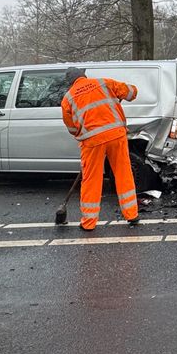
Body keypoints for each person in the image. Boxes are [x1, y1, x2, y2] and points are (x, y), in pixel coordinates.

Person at [60, 67, 141, 231]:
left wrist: (83, 135)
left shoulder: (67, 99)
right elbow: (132, 93)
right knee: (123, 173)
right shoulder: (104, 83)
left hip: (92, 141)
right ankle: (132, 215)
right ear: (83, 76)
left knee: (92, 180)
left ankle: (89, 223)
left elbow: (72, 128)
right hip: (116, 135)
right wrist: (122, 95)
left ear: (70, 82)